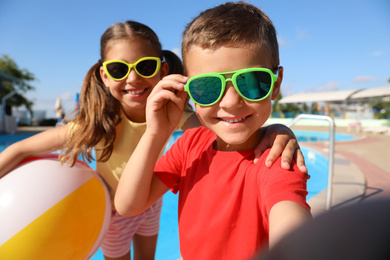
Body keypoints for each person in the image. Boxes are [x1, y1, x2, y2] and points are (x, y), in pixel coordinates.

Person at [0, 21, 304, 260]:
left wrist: (277, 129)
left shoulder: (180, 120)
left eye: (144, 67)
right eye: (119, 70)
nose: (133, 78)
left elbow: (230, 124)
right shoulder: (97, 125)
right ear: (104, 76)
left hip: (151, 201)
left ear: (163, 70)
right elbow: (20, 148)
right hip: (114, 209)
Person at [115, 3, 312, 260]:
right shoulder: (190, 146)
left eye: (251, 81)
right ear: (188, 90)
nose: (230, 102)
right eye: (207, 86)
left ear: (276, 84)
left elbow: (291, 229)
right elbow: (128, 205)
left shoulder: (277, 160)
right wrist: (156, 133)